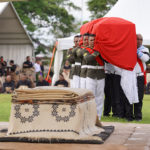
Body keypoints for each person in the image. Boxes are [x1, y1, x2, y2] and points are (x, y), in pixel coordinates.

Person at [83, 34, 105, 120]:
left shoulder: (101, 50)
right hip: (90, 74)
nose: (92, 42)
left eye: (94, 40)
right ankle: (89, 117)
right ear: (88, 41)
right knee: (90, 96)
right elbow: (88, 59)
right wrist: (96, 53)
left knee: (100, 96)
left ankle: (98, 117)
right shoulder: (86, 50)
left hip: (100, 74)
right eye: (91, 40)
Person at [133, 34, 150, 121]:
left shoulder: (144, 49)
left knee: (139, 97)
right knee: (129, 96)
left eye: (141, 39)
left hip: (139, 76)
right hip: (130, 76)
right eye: (137, 39)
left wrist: (135, 51)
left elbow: (145, 58)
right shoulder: (129, 48)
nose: (139, 41)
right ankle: (128, 115)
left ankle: (138, 117)